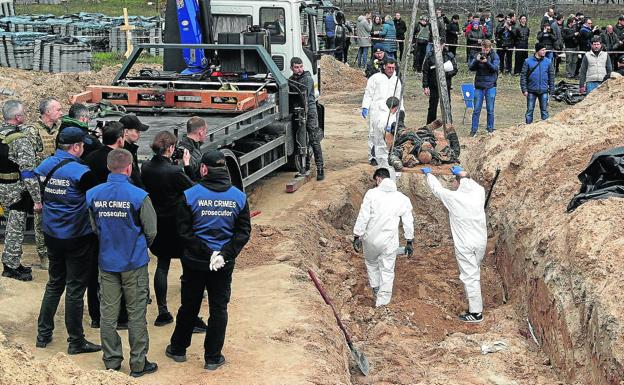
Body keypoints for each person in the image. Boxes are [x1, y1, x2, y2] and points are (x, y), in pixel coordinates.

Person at [165, 150, 251, 371]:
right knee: (219, 308)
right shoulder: (239, 197)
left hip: (195, 262)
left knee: (189, 306)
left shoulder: (190, 195)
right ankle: (212, 357)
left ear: (203, 169)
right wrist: (223, 254)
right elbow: (243, 232)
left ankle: (178, 349)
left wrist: (206, 253)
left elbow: (183, 232)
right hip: (223, 264)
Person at [86, 148, 158, 377]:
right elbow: (151, 230)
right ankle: (138, 363)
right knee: (136, 313)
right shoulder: (139, 196)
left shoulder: (93, 195)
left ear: (109, 167)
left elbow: (94, 227)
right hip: (134, 262)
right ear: (129, 168)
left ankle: (111, 360)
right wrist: (138, 245)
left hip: (107, 261)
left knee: (108, 314)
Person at [35, 127, 101, 355]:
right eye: (82, 144)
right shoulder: (82, 173)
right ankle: (76, 341)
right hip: (77, 236)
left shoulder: (44, 166)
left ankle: (43, 334)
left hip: (51, 233)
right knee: (74, 288)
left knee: (54, 283)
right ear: (75, 147)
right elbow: (94, 201)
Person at [141, 131, 195, 327]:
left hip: (157, 222)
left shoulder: (146, 167)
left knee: (162, 266)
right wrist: (186, 165)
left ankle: (162, 310)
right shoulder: (174, 172)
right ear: (171, 148)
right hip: (177, 222)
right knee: (188, 265)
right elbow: (193, 189)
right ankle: (189, 309)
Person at [422, 165, 487, 323]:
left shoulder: (454, 198)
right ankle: (473, 301)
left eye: (454, 182)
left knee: (470, 276)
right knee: (474, 272)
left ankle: (476, 313)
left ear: (458, 183)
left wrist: (429, 175)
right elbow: (469, 181)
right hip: (480, 241)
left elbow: (437, 190)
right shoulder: (479, 192)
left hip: (465, 244)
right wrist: (464, 173)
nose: (453, 185)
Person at [83, 121, 129, 329]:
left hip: (96, 218)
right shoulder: (124, 159)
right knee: (120, 269)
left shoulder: (90, 157)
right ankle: (120, 316)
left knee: (94, 270)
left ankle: (95, 315)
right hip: (120, 220)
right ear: (120, 139)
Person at [352, 167, 413, 308]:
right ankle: (383, 303)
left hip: (370, 240)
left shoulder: (371, 194)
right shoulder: (402, 198)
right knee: (387, 270)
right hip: (389, 242)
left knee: (372, 263)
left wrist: (357, 235)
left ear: (378, 179)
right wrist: (409, 240)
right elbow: (408, 221)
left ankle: (376, 288)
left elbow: (363, 215)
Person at [0, 100, 42, 281]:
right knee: (15, 228)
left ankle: (11, 261)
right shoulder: (21, 140)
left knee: (9, 225)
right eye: (23, 113)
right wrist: (37, 199)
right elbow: (28, 173)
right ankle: (11, 265)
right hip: (15, 190)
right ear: (17, 117)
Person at [26, 98, 62, 270]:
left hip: (58, 179)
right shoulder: (33, 131)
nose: (61, 112)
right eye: (58, 109)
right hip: (40, 181)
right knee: (40, 220)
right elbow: (29, 161)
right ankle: (43, 255)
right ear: (47, 112)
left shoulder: (60, 128)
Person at [362, 58, 403, 166]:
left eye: (393, 68)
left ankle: (388, 155)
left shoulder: (396, 80)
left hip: (391, 111)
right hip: (377, 110)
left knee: (390, 134)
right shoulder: (375, 78)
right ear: (384, 66)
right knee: (374, 134)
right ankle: (373, 157)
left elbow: (399, 97)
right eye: (389, 67)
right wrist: (365, 107)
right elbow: (368, 93)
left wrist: (400, 110)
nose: (390, 70)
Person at [289, 57, 324, 180]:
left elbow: (304, 94)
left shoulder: (307, 78)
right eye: (296, 67)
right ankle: (306, 166)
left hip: (310, 112)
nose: (299, 69)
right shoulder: (291, 80)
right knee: (302, 140)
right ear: (291, 68)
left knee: (314, 140)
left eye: (300, 67)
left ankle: (320, 169)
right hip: (299, 112)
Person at [422, 38, 458, 124]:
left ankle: (449, 124)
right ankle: (429, 126)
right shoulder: (430, 55)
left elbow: (455, 69)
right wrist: (425, 86)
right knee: (432, 107)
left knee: (447, 106)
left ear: (443, 45)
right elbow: (425, 71)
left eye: (439, 45)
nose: (437, 47)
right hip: (433, 85)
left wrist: (445, 74)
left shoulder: (449, 55)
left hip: (445, 84)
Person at [468, 40, 499, 136]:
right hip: (479, 86)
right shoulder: (478, 55)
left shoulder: (494, 56)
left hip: (490, 86)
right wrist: (476, 61)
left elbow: (494, 68)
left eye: (486, 49)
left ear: (490, 48)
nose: (484, 51)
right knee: (476, 109)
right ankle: (473, 130)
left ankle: (490, 129)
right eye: (483, 49)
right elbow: (471, 68)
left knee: (490, 110)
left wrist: (487, 62)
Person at [520, 43, 555, 124]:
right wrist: (524, 89)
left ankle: (545, 128)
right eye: (543, 50)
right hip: (531, 90)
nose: (544, 52)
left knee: (544, 111)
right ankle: (528, 127)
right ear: (537, 51)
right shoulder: (527, 61)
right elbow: (523, 76)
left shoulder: (548, 62)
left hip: (544, 90)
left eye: (545, 50)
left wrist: (552, 89)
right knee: (529, 111)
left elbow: (551, 76)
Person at [119, 114, 148, 188]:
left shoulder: (131, 148)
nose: (139, 135)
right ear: (126, 132)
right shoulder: (124, 152)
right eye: (137, 131)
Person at [178, 116, 207, 181]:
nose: (206, 135)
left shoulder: (190, 146)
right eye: (206, 132)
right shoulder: (189, 153)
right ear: (201, 132)